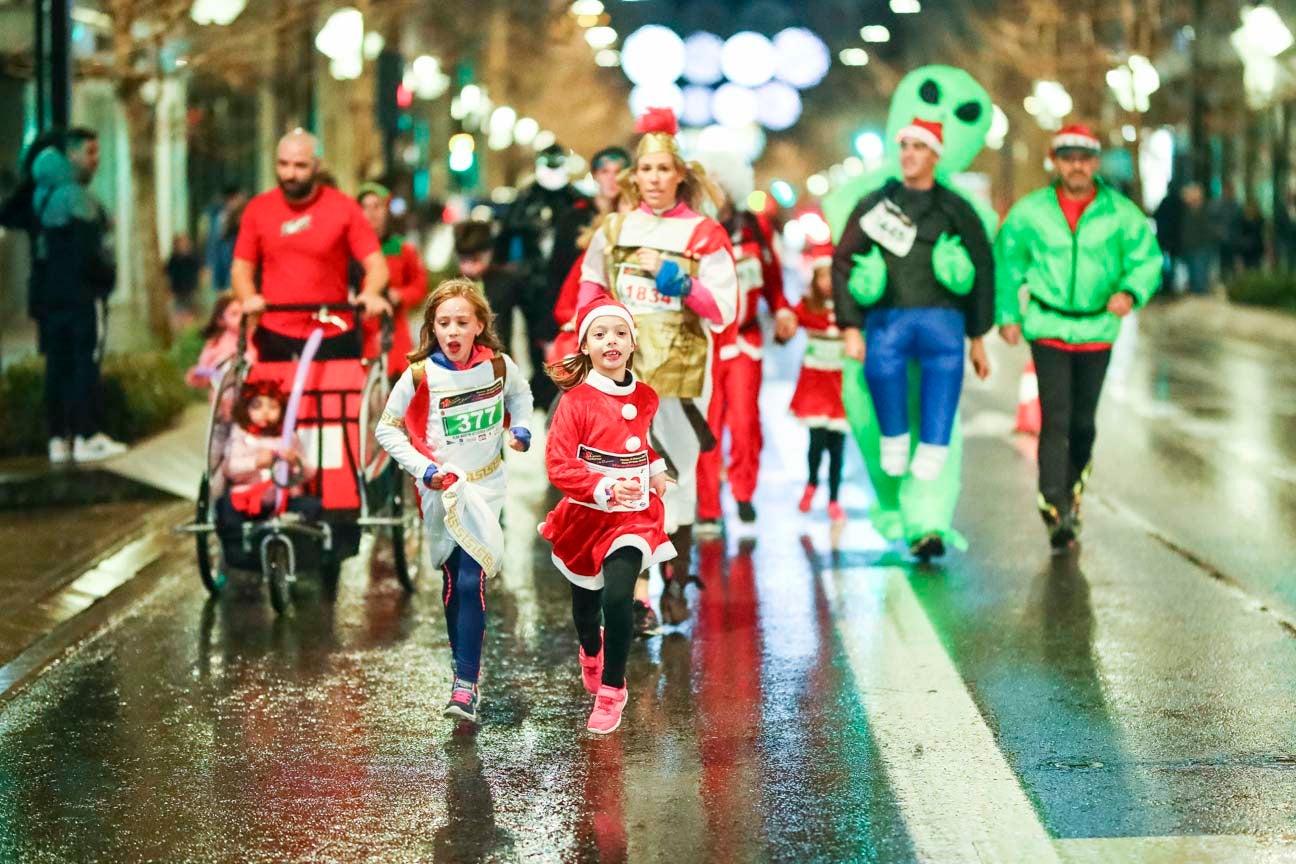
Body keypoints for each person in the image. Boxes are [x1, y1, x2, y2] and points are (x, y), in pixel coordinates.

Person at [576, 107, 738, 624]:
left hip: (682, 374)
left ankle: (676, 579)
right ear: (633, 177)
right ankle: (638, 593)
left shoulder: (706, 235)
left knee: (674, 476)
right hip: (622, 373)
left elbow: (725, 309)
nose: (653, 179)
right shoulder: (615, 228)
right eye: (645, 170)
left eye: (663, 169)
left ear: (680, 176)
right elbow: (590, 288)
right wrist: (592, 334)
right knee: (624, 473)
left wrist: (675, 279)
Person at [374, 279, 534, 724]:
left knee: (471, 580)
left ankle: (465, 686)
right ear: (432, 328)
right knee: (451, 582)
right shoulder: (420, 374)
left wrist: (520, 428)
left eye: (462, 322)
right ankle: (462, 668)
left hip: (486, 488)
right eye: (443, 323)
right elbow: (387, 429)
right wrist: (424, 469)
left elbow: (521, 396)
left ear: (479, 325)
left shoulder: (499, 367)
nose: (452, 331)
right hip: (439, 492)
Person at [995, 124, 1161, 551]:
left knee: (1083, 424)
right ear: (1055, 161)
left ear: (1095, 164)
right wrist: (1008, 314)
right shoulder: (1031, 212)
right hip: (1048, 327)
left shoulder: (1120, 213)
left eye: (1084, 159)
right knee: (1057, 418)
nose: (1076, 166)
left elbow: (1146, 259)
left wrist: (1130, 291)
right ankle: (1054, 506)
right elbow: (1008, 263)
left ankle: (1070, 493)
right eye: (1068, 158)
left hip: (1097, 329)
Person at [833, 115, 994, 531]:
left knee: (944, 378)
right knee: (880, 371)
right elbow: (844, 259)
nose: (909, 155)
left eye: (919, 147)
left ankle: (934, 446)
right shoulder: (875, 204)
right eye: (905, 146)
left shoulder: (956, 208)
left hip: (944, 321)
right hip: (886, 319)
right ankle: (893, 436)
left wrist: (978, 336)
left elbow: (983, 266)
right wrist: (851, 327)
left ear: (935, 155)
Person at [540, 299, 674, 734]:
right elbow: (559, 464)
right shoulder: (575, 402)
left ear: (633, 342)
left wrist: (655, 470)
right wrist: (603, 488)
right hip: (586, 517)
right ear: (585, 347)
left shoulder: (646, 396)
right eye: (599, 334)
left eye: (619, 333)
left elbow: (637, 443)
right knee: (586, 608)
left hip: (633, 517)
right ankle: (589, 651)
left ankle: (613, 690)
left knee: (618, 598)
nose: (610, 341)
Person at [692, 149, 796, 534]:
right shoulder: (693, 230)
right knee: (708, 423)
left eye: (722, 182)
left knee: (745, 419)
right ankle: (708, 506)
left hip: (747, 337)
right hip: (706, 340)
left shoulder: (755, 227)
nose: (716, 191)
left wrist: (783, 309)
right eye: (709, 183)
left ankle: (743, 491)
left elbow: (772, 277)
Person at [231, 129, 390, 362]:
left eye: (300, 166)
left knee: (339, 396)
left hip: (333, 330)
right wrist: (248, 297)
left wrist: (371, 293)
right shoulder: (258, 209)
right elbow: (241, 268)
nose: (290, 174)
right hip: (275, 331)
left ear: (317, 166)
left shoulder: (344, 208)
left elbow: (376, 264)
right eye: (283, 164)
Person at [28, 127, 128, 464]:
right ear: (72, 155)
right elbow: (91, 254)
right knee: (85, 363)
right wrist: (105, 281)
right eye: (91, 153)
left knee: (58, 366)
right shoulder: (78, 199)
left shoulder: (42, 195)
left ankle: (58, 438)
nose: (96, 161)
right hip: (83, 297)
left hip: (50, 298)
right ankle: (87, 435)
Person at [496, 143, 594, 409]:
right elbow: (504, 239)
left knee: (569, 339)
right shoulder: (525, 200)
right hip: (532, 286)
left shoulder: (576, 201)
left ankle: (563, 392)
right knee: (535, 339)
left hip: (568, 284)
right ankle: (542, 391)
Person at [785, 253, 847, 522]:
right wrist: (783, 326)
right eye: (822, 276)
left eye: (832, 276)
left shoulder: (849, 308)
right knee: (817, 440)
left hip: (840, 386)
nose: (828, 282)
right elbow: (789, 321)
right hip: (815, 384)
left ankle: (834, 499)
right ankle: (811, 484)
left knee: (838, 446)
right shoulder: (810, 306)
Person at [220, 379, 318, 520]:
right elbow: (229, 468)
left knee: (313, 506)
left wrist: (295, 461)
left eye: (273, 407)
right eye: (257, 407)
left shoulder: (289, 437)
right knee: (227, 507)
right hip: (248, 496)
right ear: (246, 409)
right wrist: (256, 462)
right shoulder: (241, 435)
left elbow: (309, 473)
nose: (265, 412)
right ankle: (237, 540)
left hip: (284, 498)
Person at [356, 182, 426, 377]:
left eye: (377, 206)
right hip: (362, 333)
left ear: (386, 210)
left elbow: (419, 285)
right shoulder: (350, 251)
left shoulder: (402, 249)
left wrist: (400, 295)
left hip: (394, 332)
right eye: (365, 207)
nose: (371, 213)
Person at [454, 219, 524, 356]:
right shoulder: (453, 286)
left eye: (475, 260)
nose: (469, 268)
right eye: (463, 260)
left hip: (498, 358)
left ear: (489, 253)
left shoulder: (506, 282)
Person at [185, 292, 256, 390]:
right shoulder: (216, 344)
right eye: (234, 314)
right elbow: (204, 373)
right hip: (224, 394)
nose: (241, 318)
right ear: (221, 320)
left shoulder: (255, 337)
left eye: (243, 314)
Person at [1179, 183, 1213, 296]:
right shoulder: (1187, 210)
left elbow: (1206, 229)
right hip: (1191, 245)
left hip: (1201, 245)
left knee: (1199, 272)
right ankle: (1197, 292)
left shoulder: (1205, 210)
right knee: (1194, 272)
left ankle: (1200, 294)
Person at [166, 233, 202, 320]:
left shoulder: (193, 258)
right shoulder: (173, 259)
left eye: (184, 242)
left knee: (191, 314)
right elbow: (168, 274)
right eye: (180, 242)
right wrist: (169, 290)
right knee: (178, 313)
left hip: (190, 291)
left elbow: (199, 272)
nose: (182, 245)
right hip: (177, 292)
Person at [1236, 200, 1266, 271]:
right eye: (1249, 207)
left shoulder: (1260, 220)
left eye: (1252, 207)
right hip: (1245, 248)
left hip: (1257, 247)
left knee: (1257, 267)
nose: (1250, 209)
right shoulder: (1241, 220)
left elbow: (1263, 233)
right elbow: (1239, 234)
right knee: (1246, 267)